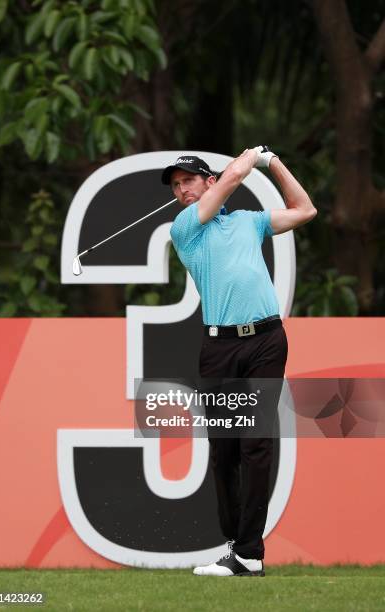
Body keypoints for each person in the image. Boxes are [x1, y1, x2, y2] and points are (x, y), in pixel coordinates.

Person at [161, 148, 316, 577]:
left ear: (207, 181)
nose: (181, 190)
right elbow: (230, 182)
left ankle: (249, 553)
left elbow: (305, 209)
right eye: (175, 185)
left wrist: (273, 163)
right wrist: (244, 162)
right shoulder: (185, 228)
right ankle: (236, 545)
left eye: (188, 180)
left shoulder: (249, 221)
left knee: (256, 444)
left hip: (266, 341)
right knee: (224, 451)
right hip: (220, 350)